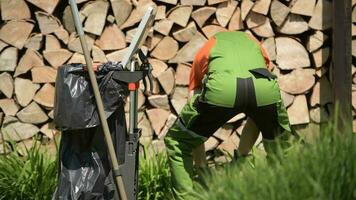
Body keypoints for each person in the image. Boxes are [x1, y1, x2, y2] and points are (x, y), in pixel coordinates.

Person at [164, 31, 296, 199]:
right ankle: (280, 190)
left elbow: (194, 121)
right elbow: (265, 75)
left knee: (179, 141)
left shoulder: (207, 48)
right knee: (279, 148)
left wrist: (202, 167)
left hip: (223, 90)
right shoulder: (255, 44)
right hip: (264, 91)